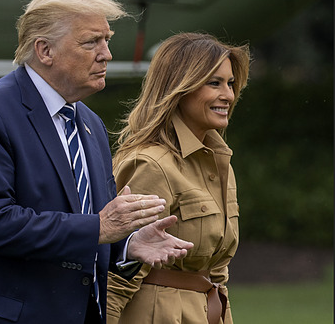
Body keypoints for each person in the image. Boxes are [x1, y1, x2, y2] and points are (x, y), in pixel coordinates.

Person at [0, 0, 193, 324]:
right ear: (44, 50)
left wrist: (126, 246)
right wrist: (99, 228)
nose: (106, 54)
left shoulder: (89, 124)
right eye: (91, 42)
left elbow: (84, 226)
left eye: (107, 40)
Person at [106, 32, 250, 324]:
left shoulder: (220, 161)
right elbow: (118, 271)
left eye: (231, 83)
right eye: (215, 83)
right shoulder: (150, 164)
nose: (228, 95)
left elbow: (216, 271)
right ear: (180, 88)